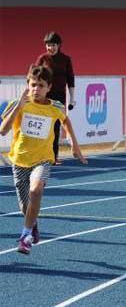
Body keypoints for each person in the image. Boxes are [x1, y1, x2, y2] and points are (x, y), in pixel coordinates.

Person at [0, 65, 87, 255]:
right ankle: (32, 225)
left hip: (43, 160)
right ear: (27, 85)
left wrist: (74, 145)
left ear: (49, 87)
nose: (36, 89)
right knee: (25, 207)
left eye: (40, 86)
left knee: (36, 189)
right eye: (33, 85)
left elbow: (66, 120)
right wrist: (19, 107)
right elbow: (3, 130)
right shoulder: (18, 103)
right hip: (19, 161)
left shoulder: (55, 107)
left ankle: (25, 236)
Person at [36, 32, 76, 164]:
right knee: (42, 127)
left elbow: (70, 79)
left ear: (58, 45)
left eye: (53, 45)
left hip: (59, 98)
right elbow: (34, 76)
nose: (50, 48)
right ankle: (39, 156)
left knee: (55, 127)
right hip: (43, 98)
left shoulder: (66, 59)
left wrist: (72, 98)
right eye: (48, 45)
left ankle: (53, 157)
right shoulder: (42, 58)